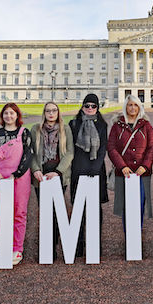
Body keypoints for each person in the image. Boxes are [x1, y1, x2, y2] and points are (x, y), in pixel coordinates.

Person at [0, 103, 33, 265]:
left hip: (19, 177)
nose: (9, 116)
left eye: (12, 113)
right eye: (6, 113)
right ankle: (3, 246)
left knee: (19, 212)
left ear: (17, 115)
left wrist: (16, 174)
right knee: (1, 213)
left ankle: (17, 248)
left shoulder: (24, 133)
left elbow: (28, 155)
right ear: (2, 116)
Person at [30, 102, 74, 261]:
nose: (51, 113)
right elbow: (32, 153)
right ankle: (45, 246)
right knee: (45, 212)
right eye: (48, 111)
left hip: (58, 176)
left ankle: (52, 246)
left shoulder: (65, 128)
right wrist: (35, 169)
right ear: (44, 113)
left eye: (54, 110)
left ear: (58, 112)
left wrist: (58, 171)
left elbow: (70, 152)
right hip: (40, 176)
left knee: (56, 212)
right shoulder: (36, 129)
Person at [107, 95, 153, 233]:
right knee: (126, 206)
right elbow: (111, 147)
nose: (133, 108)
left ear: (139, 107)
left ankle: (136, 234)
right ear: (125, 107)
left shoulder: (146, 125)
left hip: (142, 173)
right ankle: (128, 236)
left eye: (136, 105)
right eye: (130, 105)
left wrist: (145, 166)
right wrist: (122, 166)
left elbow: (152, 147)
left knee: (139, 205)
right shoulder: (117, 126)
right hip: (123, 173)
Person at [69, 94, 108, 257]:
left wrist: (95, 167)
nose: (90, 109)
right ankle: (77, 244)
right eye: (87, 106)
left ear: (97, 108)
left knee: (95, 209)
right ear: (82, 107)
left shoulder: (102, 125)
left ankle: (94, 242)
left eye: (93, 106)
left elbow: (103, 148)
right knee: (78, 208)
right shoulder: (74, 123)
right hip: (78, 169)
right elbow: (70, 148)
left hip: (96, 170)